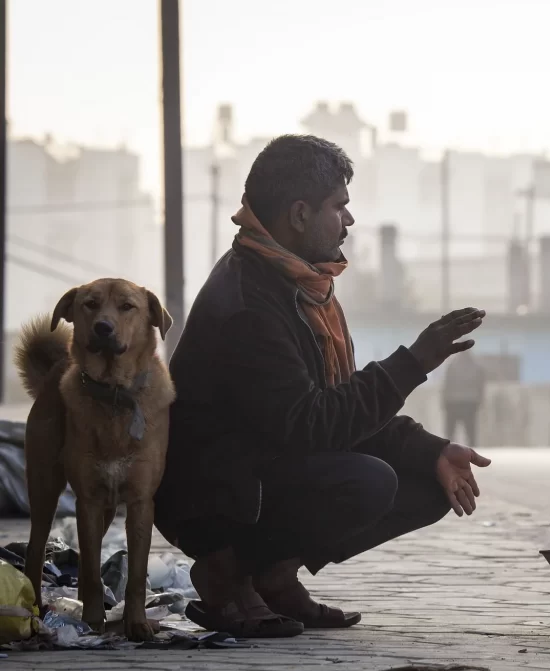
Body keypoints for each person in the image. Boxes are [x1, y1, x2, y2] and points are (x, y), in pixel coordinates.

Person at [154, 134, 490, 639]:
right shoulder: (251, 303)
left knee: (429, 480)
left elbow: (339, 403)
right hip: (216, 499)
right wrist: (414, 362)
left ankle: (274, 575)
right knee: (368, 481)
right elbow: (313, 425)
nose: (349, 222)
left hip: (266, 469)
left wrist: (432, 448)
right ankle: (228, 570)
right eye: (340, 207)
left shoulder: (301, 288)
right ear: (299, 214)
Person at [442, 350, 487, 446]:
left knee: (451, 432)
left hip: (453, 402)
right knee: (471, 431)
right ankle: (472, 452)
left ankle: (449, 450)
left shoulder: (452, 366)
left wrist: (444, 401)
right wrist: (480, 400)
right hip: (470, 402)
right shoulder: (476, 367)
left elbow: (446, 385)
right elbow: (480, 386)